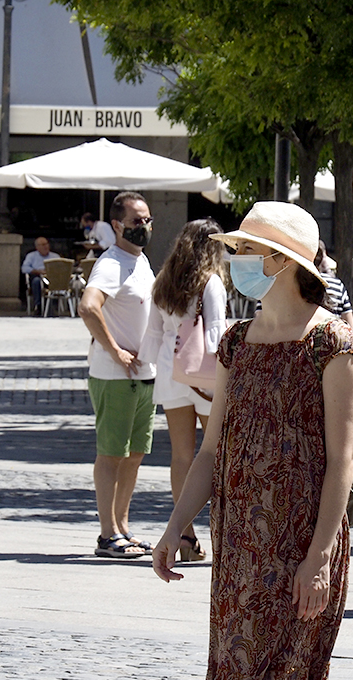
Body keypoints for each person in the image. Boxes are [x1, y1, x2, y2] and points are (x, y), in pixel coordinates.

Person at [152, 201, 353, 680]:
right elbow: (212, 450)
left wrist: (319, 557)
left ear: (278, 261)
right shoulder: (237, 343)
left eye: (244, 250)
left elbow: (341, 463)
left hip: (301, 544)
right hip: (240, 546)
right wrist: (177, 526)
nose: (234, 261)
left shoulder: (332, 345)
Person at [140, 219, 228, 562]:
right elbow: (216, 336)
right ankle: (219, 534)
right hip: (205, 376)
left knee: (181, 456)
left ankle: (185, 535)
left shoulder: (165, 281)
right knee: (216, 455)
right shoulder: (211, 282)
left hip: (170, 370)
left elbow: (154, 332)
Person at [78, 192, 157, 558]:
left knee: (135, 453)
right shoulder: (111, 263)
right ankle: (107, 534)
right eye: (136, 221)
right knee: (112, 454)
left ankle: (122, 527)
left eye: (147, 220)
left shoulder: (140, 262)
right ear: (116, 225)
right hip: (114, 375)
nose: (143, 227)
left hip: (144, 375)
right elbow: (88, 307)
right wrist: (116, 350)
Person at [21, 236, 59, 315]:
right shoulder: (31, 256)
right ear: (37, 247)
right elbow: (24, 268)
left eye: (46, 244)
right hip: (38, 275)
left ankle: (54, 306)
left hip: (52, 277)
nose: (45, 246)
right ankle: (38, 306)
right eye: (42, 245)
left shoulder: (55, 256)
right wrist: (37, 271)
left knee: (59, 282)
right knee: (36, 281)